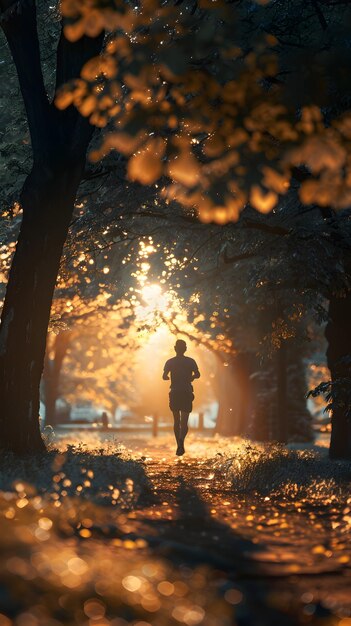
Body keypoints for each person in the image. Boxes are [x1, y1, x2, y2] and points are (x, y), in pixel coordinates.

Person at [162, 339, 200, 456]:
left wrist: (168, 378)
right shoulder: (191, 361)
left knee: (176, 420)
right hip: (186, 392)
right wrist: (192, 377)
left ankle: (178, 444)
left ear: (175, 349)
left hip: (175, 393)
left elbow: (164, 376)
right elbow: (198, 374)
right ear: (185, 349)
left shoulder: (170, 362)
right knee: (184, 421)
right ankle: (181, 440)